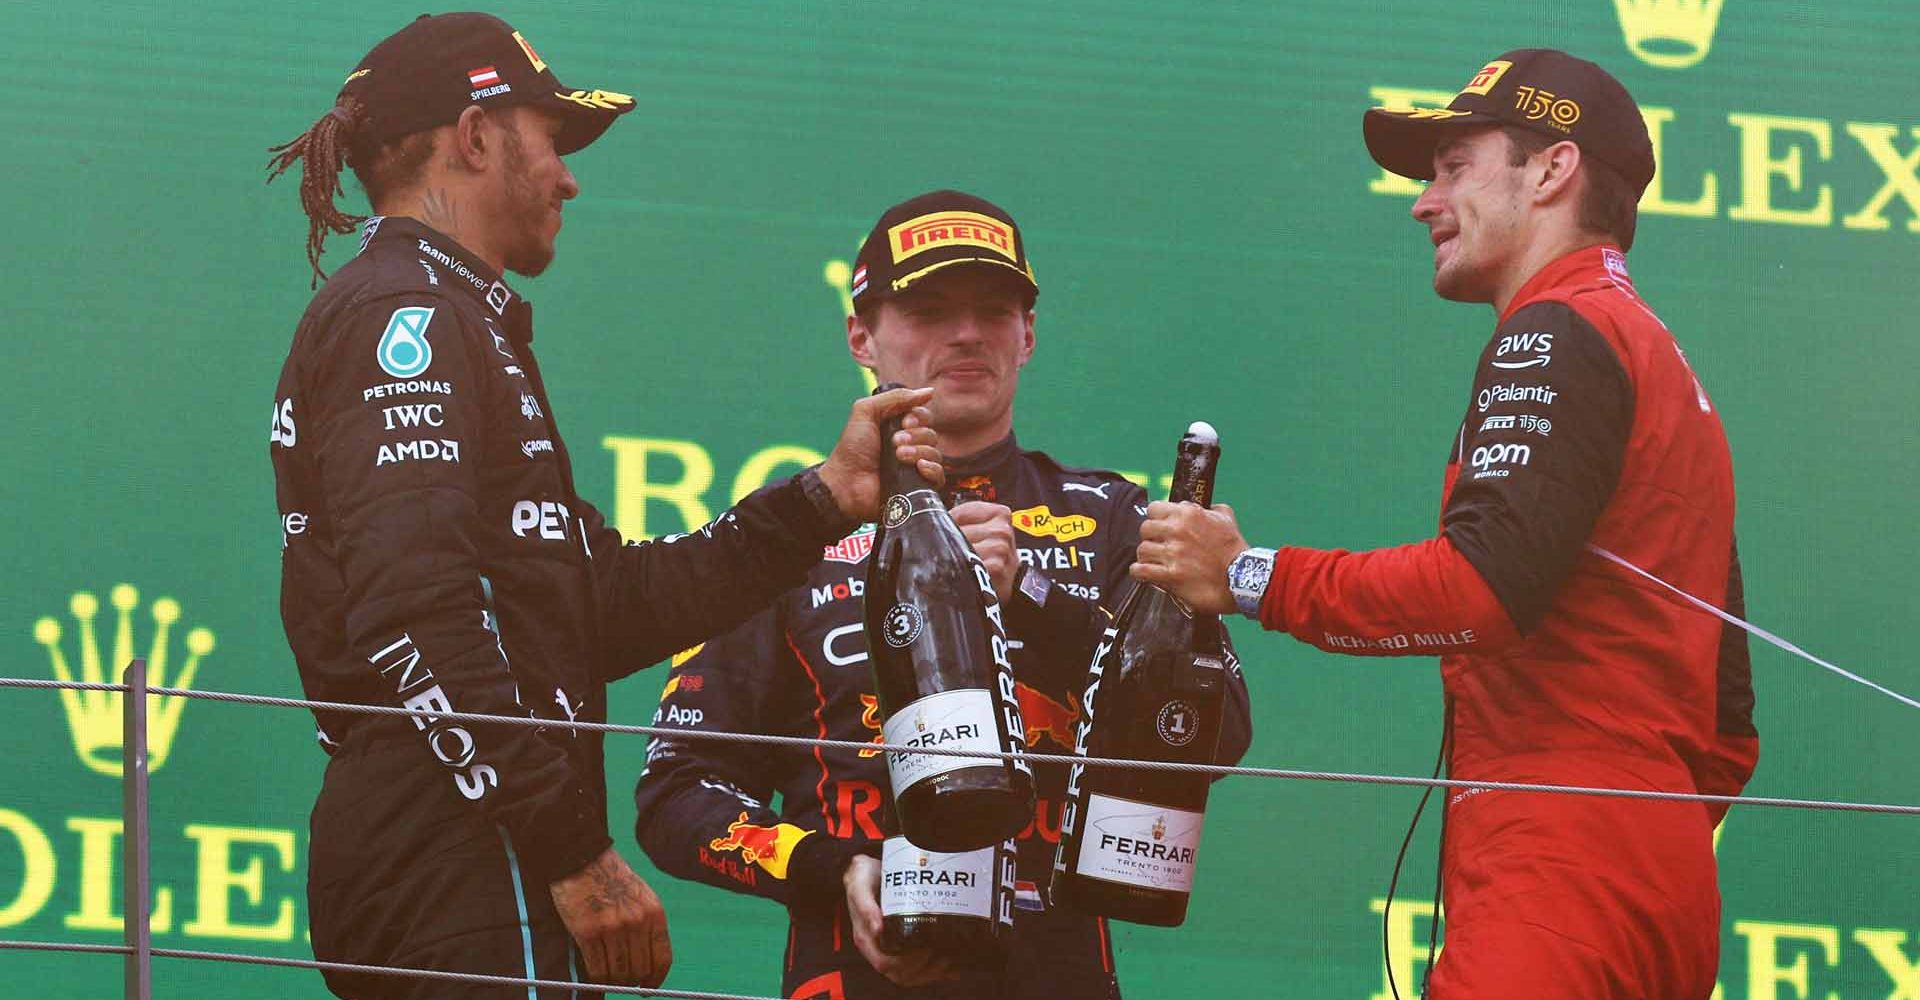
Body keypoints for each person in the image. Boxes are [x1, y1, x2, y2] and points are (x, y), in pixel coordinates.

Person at [265, 14, 942, 999]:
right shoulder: (402, 315)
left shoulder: (456, 315)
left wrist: (827, 497)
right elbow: (414, 613)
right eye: (553, 143)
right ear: (477, 135)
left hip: (470, 845)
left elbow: (599, 605)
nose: (569, 177)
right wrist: (573, 850)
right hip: (462, 847)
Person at [1130, 50, 1758, 1000]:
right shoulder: (1658, 361)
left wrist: (1249, 575)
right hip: (1653, 883)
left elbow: (1481, 587)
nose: (1425, 203)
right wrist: (1629, 833)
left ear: (1552, 170)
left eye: (1454, 167)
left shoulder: (1556, 330)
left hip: (1552, 872)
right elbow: (1728, 722)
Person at [633, 190, 1253, 1000]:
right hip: (855, 970)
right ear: (861, 335)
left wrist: (1024, 592)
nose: (966, 334)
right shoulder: (787, 536)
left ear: (1027, 335)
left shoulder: (1113, 521)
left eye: (994, 310)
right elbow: (676, 791)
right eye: (928, 310)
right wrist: (834, 870)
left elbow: (1217, 736)